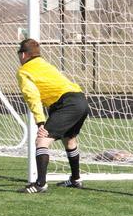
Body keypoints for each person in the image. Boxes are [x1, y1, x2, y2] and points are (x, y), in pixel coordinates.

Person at [16, 38, 90, 193]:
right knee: (69, 139)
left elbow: (32, 97)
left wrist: (40, 122)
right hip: (80, 99)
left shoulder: (24, 71)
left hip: (66, 103)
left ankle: (40, 184)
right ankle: (75, 179)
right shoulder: (45, 64)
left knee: (42, 140)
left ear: (23, 55)